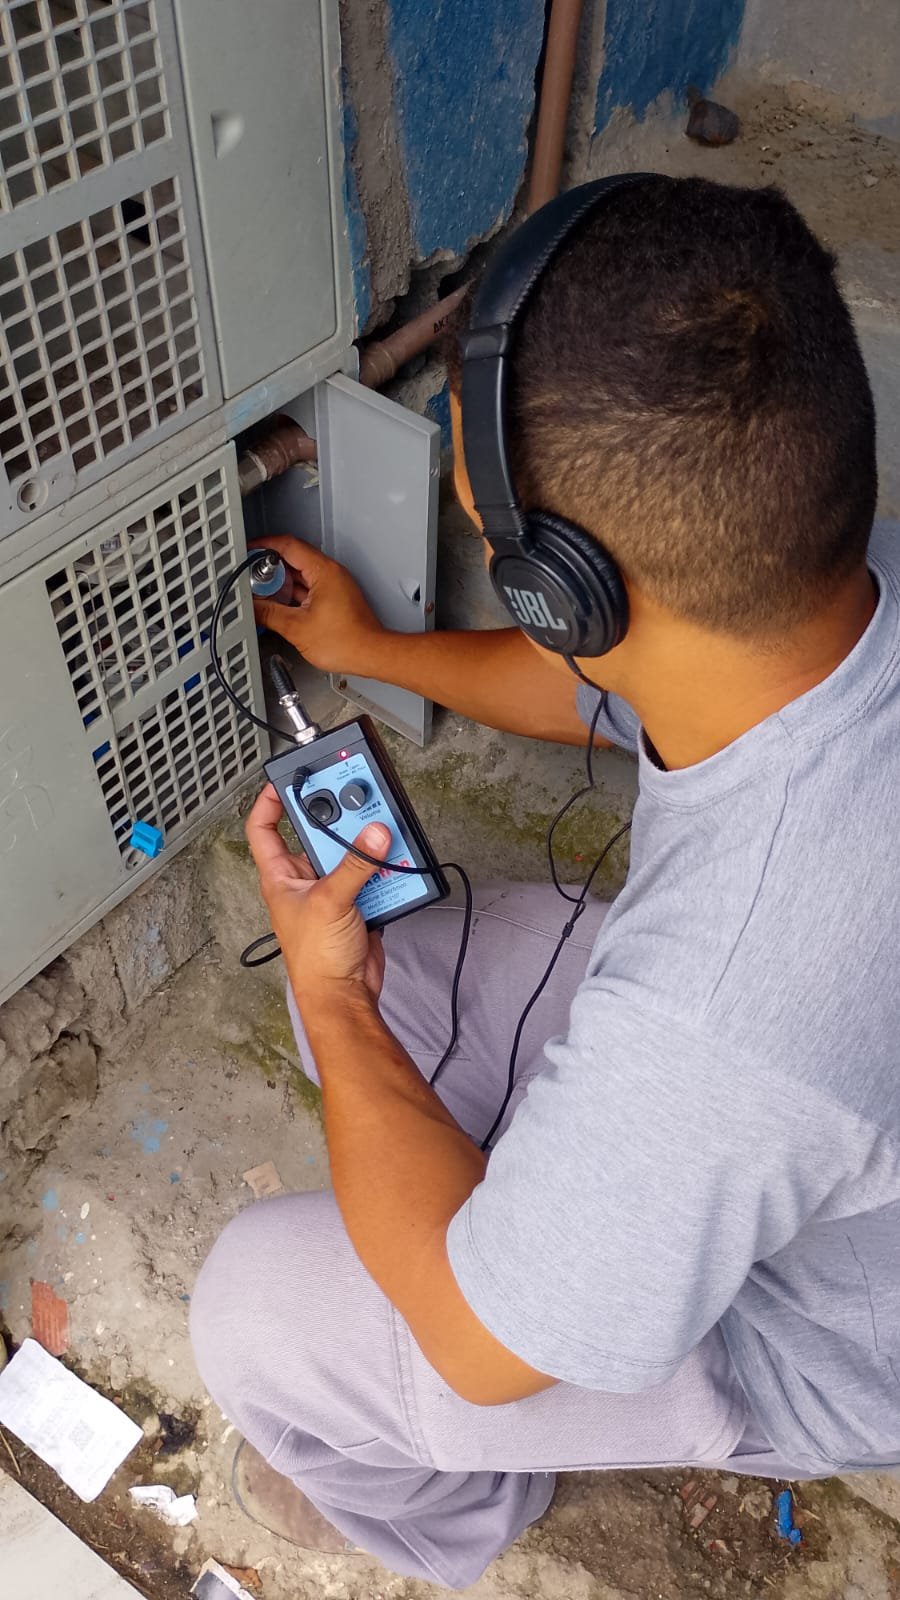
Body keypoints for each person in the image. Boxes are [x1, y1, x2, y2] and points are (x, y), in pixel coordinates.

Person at [190, 175, 900, 1590]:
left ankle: (461, 1510)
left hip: (812, 1337)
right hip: (819, 1105)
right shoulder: (811, 568)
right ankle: (559, 1216)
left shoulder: (723, 1016)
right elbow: (615, 686)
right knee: (422, 947)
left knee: (253, 1315)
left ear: (565, 595)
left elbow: (475, 1346)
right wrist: (374, 651)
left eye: (495, 544)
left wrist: (331, 1003)